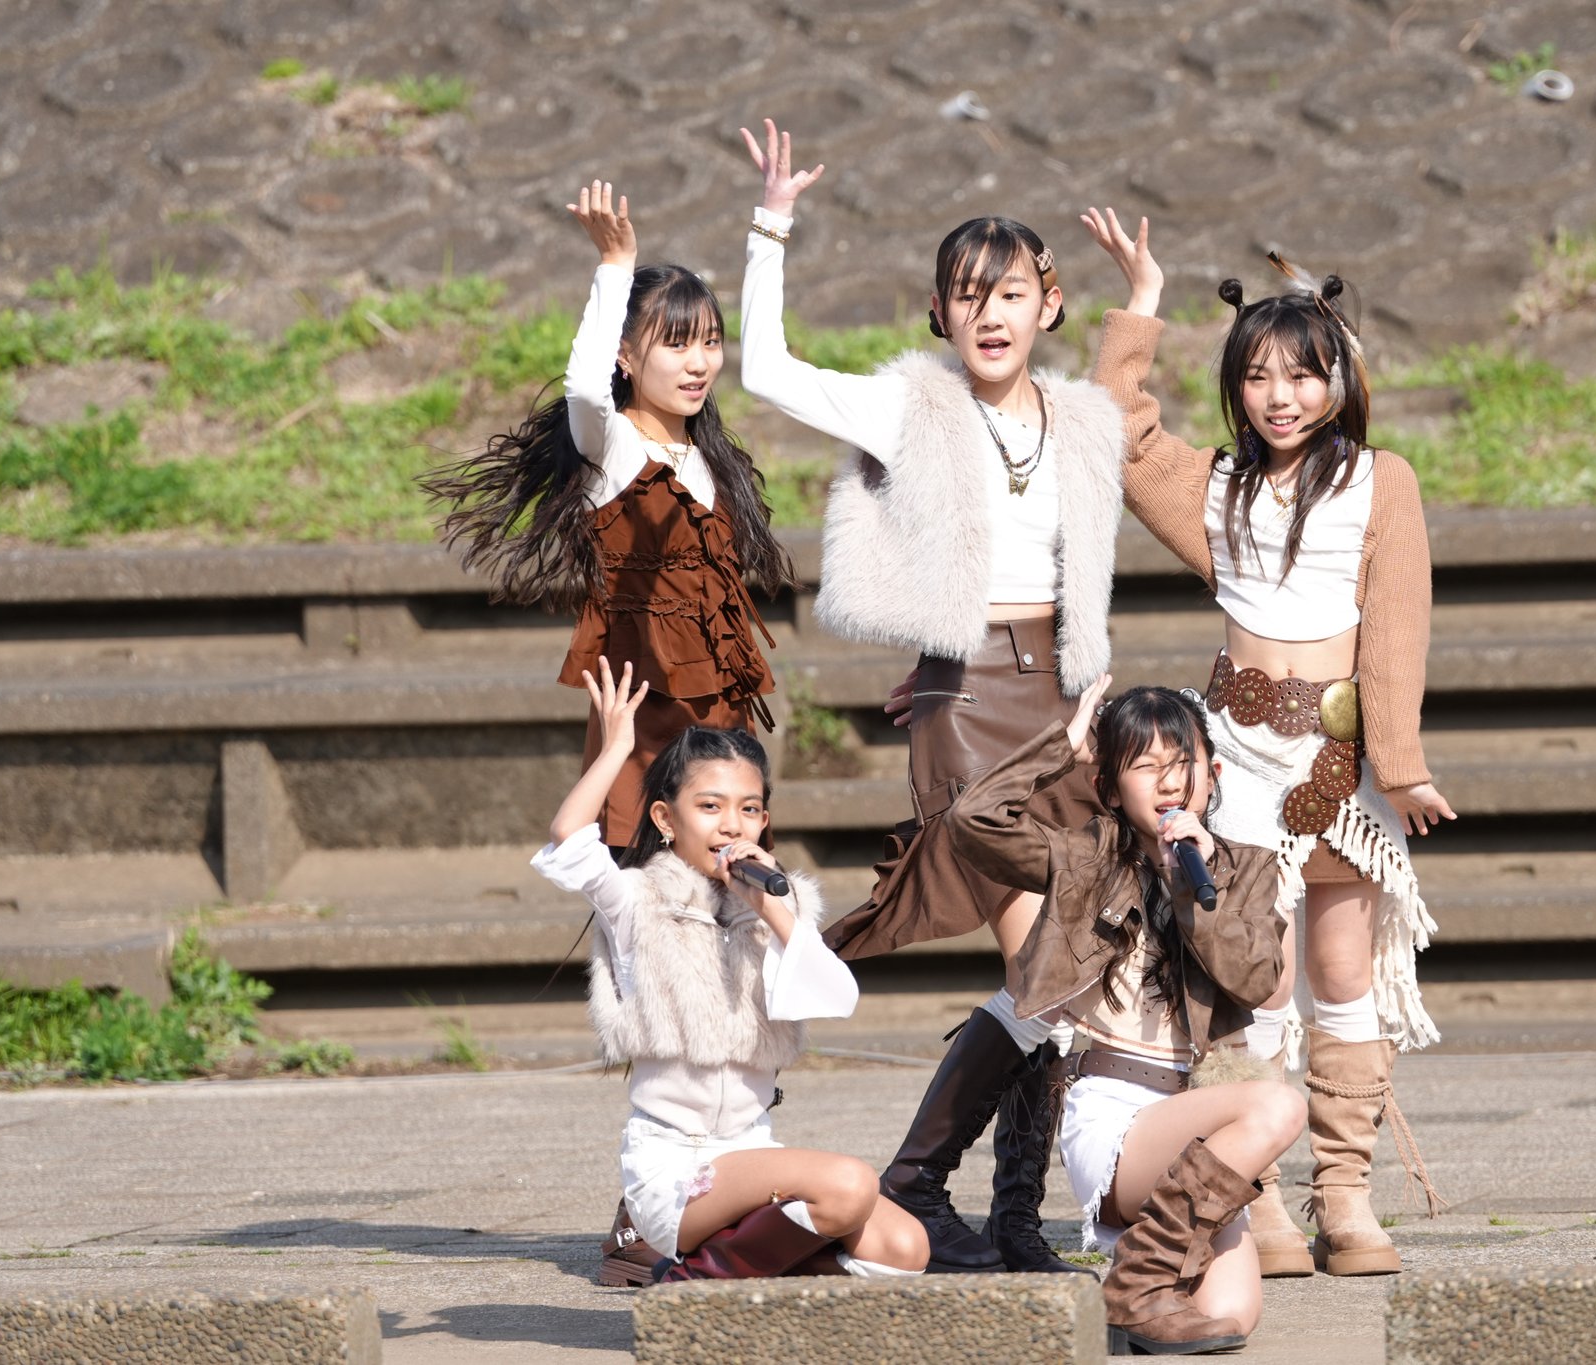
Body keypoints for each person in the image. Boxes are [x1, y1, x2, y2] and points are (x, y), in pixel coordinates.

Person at [736, 120, 1127, 1275]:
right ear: (939, 313)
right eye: (966, 295)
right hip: (963, 704)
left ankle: (972, 1202)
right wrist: (770, 226)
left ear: (1047, 303)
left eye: (1008, 293)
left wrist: (1149, 298)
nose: (988, 313)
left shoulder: (1078, 419)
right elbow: (766, 371)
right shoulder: (907, 407)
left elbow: (1093, 536)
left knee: (1063, 969)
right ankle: (959, 1196)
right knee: (1048, 966)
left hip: (1062, 700)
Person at [1082, 207, 1452, 1278]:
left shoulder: (1381, 481)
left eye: (1301, 373)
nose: (1279, 395)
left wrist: (1402, 763)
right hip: (1234, 762)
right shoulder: (1216, 487)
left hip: (1337, 767)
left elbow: (1396, 629)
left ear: (1339, 377)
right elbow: (1119, 432)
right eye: (1256, 376)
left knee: (1343, 971)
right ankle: (1260, 1198)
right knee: (1254, 979)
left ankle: (1346, 1196)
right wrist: (1141, 305)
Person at [531, 657, 928, 1286]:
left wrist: (770, 909)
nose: (731, 824)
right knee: (850, 1184)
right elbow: (568, 840)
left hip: (751, 1153)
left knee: (904, 1249)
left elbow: (836, 995)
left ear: (763, 824)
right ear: (666, 820)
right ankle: (690, 1283)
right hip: (675, 1169)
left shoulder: (775, 910)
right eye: (710, 806)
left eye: (748, 809)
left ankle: (741, 1270)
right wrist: (616, 749)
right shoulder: (635, 903)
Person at [424, 178, 792, 853]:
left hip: (723, 725)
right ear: (626, 355)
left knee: (733, 895)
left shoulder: (712, 458)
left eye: (710, 343)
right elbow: (584, 392)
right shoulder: (614, 447)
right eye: (676, 345)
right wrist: (615, 265)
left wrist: (772, 222)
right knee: (640, 895)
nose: (699, 363)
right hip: (644, 725)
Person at [947, 677, 1301, 1354]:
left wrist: (1192, 890)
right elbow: (973, 822)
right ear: (1109, 788)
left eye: (1183, 761)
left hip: (1195, 1117)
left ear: (1213, 774)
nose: (1169, 781)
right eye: (1145, 765)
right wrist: (1060, 745)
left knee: (1231, 1315)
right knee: (1279, 1106)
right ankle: (1135, 1287)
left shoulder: (1246, 871)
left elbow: (1255, 980)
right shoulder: (1086, 860)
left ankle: (1137, 1276)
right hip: (1114, 1114)